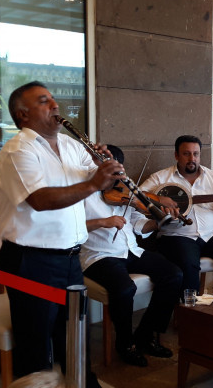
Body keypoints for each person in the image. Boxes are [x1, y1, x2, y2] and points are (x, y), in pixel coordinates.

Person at [0, 81, 125, 386]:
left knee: (74, 335)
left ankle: (82, 382)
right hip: (30, 261)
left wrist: (102, 167)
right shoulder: (17, 151)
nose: (55, 105)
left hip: (69, 258)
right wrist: (93, 183)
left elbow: (95, 179)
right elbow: (40, 199)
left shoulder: (70, 145)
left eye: (53, 99)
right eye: (44, 101)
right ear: (23, 115)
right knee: (36, 345)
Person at [81, 145, 182, 367]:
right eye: (110, 172)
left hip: (131, 250)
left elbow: (138, 225)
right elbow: (70, 226)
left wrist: (158, 223)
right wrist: (103, 222)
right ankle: (125, 344)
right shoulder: (82, 191)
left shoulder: (125, 189)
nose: (116, 179)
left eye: (119, 172)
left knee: (173, 274)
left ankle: (146, 335)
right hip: (99, 255)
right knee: (125, 288)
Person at [140, 135, 213, 293]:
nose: (192, 158)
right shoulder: (160, 178)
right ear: (176, 155)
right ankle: (190, 306)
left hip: (211, 234)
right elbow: (137, 196)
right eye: (186, 154)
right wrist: (159, 199)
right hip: (177, 235)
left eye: (196, 154)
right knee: (188, 263)